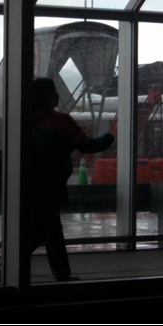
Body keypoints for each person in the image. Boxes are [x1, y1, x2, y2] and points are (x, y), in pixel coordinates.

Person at [26, 77, 114, 281]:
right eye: (54, 92)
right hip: (51, 185)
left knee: (51, 229)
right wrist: (111, 136)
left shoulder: (27, 121)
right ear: (49, 99)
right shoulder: (61, 121)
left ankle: (61, 273)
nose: (58, 95)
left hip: (30, 182)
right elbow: (89, 146)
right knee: (45, 229)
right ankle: (10, 264)